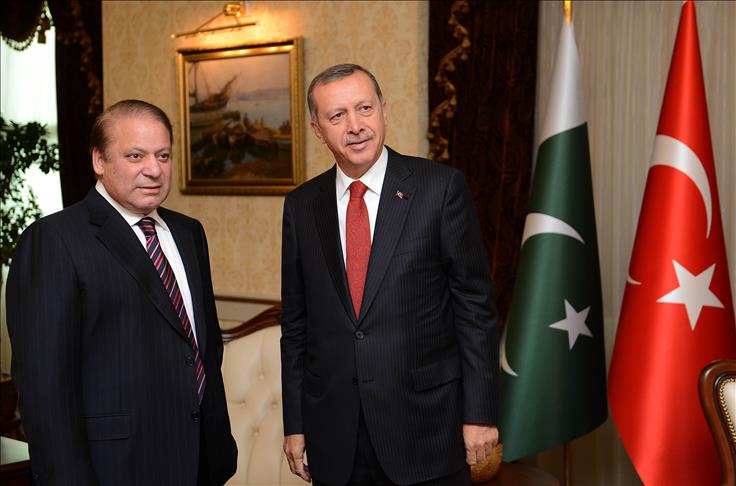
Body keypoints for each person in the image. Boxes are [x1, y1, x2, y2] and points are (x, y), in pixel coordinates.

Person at [280, 64, 499, 486]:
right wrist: (296, 423)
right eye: (337, 115)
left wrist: (481, 414)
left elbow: (475, 310)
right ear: (318, 130)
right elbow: (296, 325)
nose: (355, 126)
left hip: (426, 429)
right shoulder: (302, 206)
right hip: (335, 436)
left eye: (364, 108)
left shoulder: (440, 188)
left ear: (384, 109)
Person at [6, 100, 237, 486]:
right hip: (114, 466)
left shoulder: (188, 233)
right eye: (135, 156)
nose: (154, 169)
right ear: (99, 160)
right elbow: (44, 386)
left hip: (201, 460)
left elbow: (204, 346)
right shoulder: (54, 240)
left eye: (163, 155)